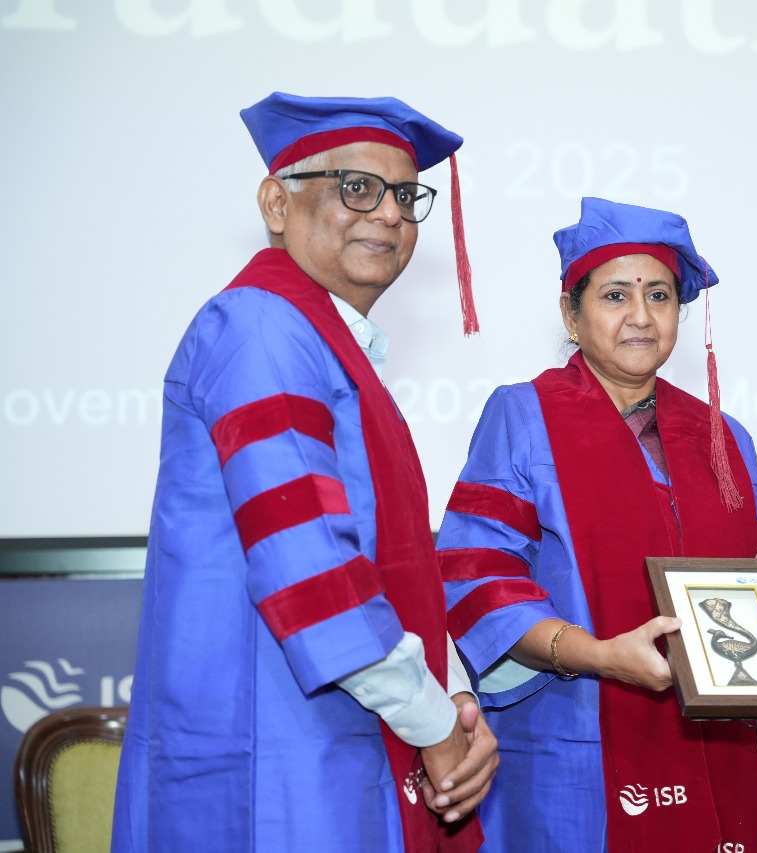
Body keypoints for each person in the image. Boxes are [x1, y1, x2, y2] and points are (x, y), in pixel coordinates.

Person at [112, 92, 496, 852]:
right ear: (276, 203)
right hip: (273, 751)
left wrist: (452, 699)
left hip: (335, 736)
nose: (389, 214)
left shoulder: (331, 345)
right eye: (357, 188)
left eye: (406, 195)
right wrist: (432, 721)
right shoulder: (260, 326)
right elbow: (309, 560)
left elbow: (392, 559)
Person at [435, 197, 757, 852]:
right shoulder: (523, 415)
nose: (640, 315)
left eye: (659, 294)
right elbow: (476, 574)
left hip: (712, 748)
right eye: (615, 295)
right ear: (571, 313)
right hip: (577, 752)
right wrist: (597, 654)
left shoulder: (723, 436)